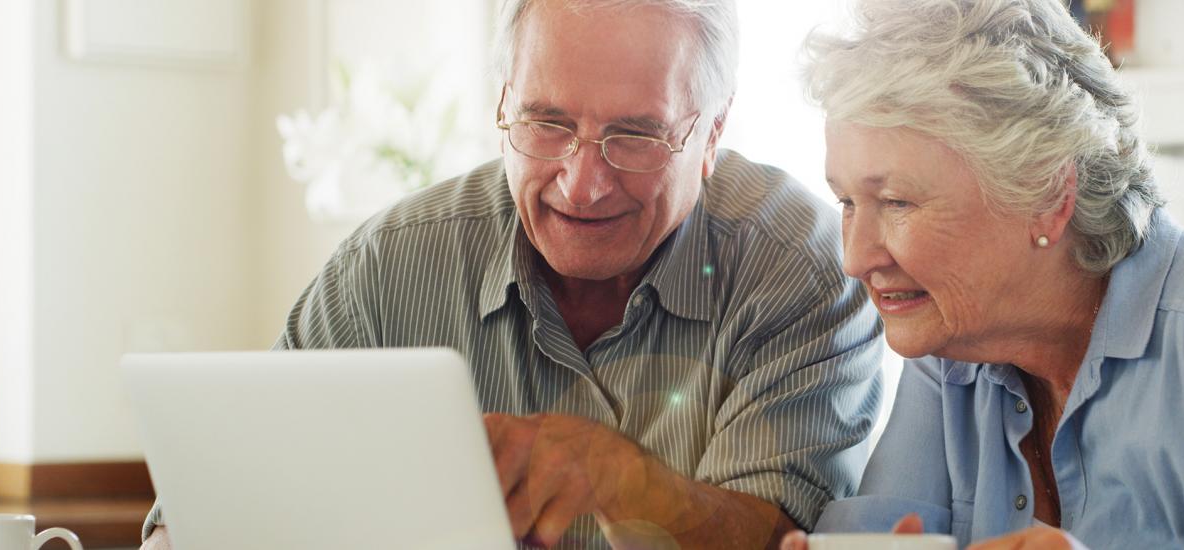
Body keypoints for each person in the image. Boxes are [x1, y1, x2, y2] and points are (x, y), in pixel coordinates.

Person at [141, 1, 884, 548]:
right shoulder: (390, 267)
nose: (581, 183)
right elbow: (193, 518)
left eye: (634, 135)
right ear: (503, 105)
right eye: (546, 124)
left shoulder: (805, 268)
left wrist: (631, 486)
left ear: (712, 132)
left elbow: (777, 537)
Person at [780, 0, 1184, 548]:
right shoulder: (950, 353)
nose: (856, 256)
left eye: (896, 202)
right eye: (846, 202)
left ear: (1047, 192)